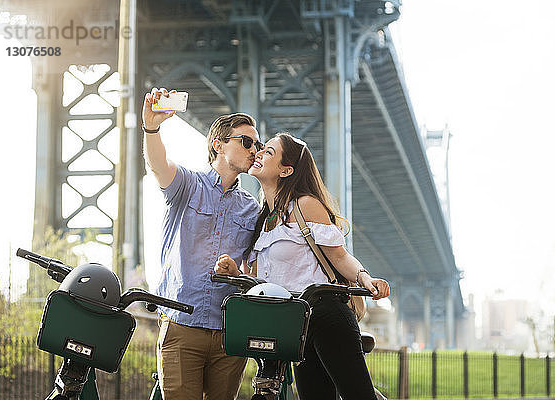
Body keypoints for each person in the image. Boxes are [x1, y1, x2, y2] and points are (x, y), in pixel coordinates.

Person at [215, 132, 390, 400]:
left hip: (326, 315)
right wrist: (235, 273)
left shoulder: (305, 205)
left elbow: (340, 257)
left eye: (268, 152)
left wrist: (366, 280)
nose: (259, 153)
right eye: (261, 149)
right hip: (293, 325)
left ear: (286, 170)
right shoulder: (262, 221)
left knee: (358, 395)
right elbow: (263, 282)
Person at [141, 88, 262, 400]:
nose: (254, 149)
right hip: (182, 324)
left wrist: (237, 272)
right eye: (246, 141)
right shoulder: (188, 185)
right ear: (217, 144)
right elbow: (159, 165)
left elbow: (257, 271)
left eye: (258, 145)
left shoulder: (252, 208)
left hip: (228, 332)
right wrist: (152, 128)